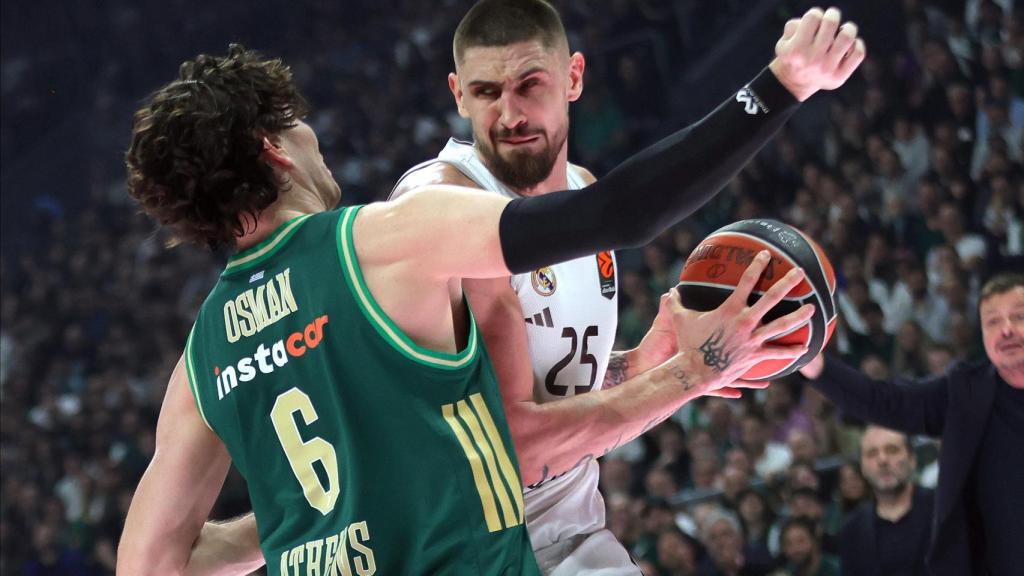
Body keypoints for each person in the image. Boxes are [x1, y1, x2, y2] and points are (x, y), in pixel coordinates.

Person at [175, 2, 866, 575]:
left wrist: (648, 357)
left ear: (573, 78)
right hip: (488, 549)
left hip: (575, 536)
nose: (509, 112)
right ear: (456, 96)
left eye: (529, 84)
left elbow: (559, 396)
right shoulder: (441, 206)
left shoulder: (580, 191)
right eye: (485, 93)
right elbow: (520, 447)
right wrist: (694, 372)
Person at [800, 272, 1024, 576]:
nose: (1006, 330)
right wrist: (817, 366)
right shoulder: (965, 392)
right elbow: (887, 401)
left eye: (1018, 316)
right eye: (993, 322)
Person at [839, 426, 933, 576]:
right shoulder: (852, 529)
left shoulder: (940, 511)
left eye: (892, 450)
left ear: (912, 459)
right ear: (863, 467)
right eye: (872, 454)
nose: (882, 460)